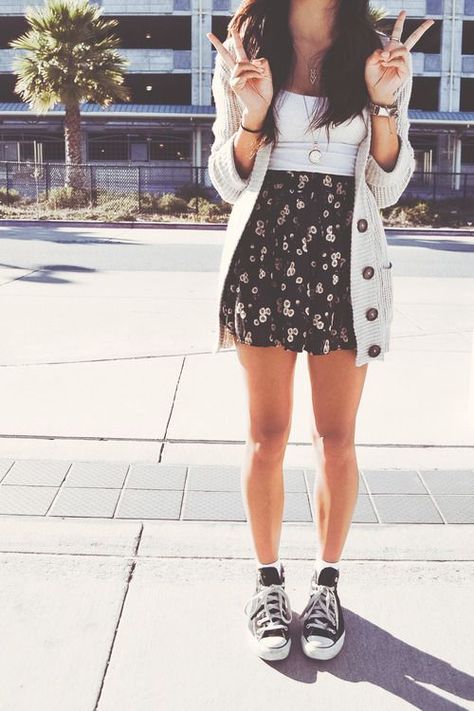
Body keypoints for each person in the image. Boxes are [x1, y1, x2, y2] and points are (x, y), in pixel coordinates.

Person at [207, 0, 434, 662]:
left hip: (347, 256)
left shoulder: (376, 48)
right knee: (267, 435)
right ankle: (268, 582)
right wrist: (251, 121)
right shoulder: (249, 43)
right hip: (266, 253)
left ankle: (327, 581)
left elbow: (388, 186)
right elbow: (226, 178)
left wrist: (385, 104)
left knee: (336, 439)